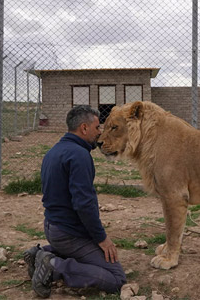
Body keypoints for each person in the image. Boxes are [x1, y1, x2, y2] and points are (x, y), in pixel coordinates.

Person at [23, 105, 126, 298]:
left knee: (89, 256)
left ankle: (40, 254)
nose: (100, 133)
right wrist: (101, 238)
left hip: (52, 227)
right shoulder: (79, 155)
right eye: (97, 128)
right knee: (116, 278)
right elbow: (83, 205)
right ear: (84, 128)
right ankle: (54, 266)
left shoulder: (55, 150)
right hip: (68, 234)